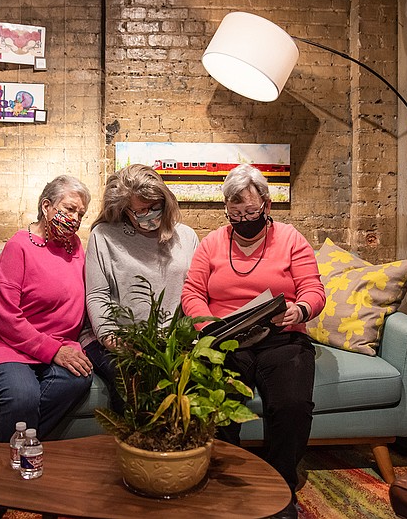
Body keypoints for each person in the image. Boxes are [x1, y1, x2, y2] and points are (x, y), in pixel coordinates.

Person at [181, 163, 325, 519]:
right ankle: (229, 483)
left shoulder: (291, 239)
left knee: (291, 405)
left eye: (250, 212)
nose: (244, 220)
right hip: (228, 339)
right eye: (235, 214)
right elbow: (192, 293)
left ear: (267, 206)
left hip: (282, 338)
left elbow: (314, 289)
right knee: (217, 402)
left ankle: (280, 487)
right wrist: (208, 324)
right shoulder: (213, 242)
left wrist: (301, 310)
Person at [0, 175, 94, 445]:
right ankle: (9, 466)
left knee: (78, 378)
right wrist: (53, 350)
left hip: (59, 341)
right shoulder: (19, 246)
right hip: (5, 341)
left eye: (80, 213)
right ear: (46, 206)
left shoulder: (75, 247)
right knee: (23, 395)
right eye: (69, 209)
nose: (75, 218)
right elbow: (5, 316)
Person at [85, 164, 199, 412]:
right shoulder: (104, 235)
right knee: (134, 383)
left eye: (154, 206)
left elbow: (195, 292)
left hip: (170, 343)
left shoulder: (186, 236)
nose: (149, 215)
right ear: (125, 210)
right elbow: (97, 294)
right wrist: (112, 340)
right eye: (141, 210)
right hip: (117, 340)